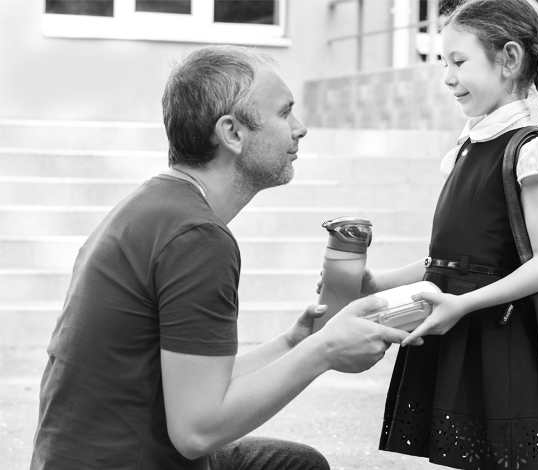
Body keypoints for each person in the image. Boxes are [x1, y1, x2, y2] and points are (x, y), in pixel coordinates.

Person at [30, 45, 413, 470]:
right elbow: (197, 431)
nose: (300, 128)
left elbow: (198, 384)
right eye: (285, 113)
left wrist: (295, 343)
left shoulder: (156, 206)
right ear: (232, 133)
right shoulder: (197, 237)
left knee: (296, 463)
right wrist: (324, 351)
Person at [363, 1, 538, 468]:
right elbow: (447, 259)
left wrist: (462, 304)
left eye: (459, 62)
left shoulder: (531, 149)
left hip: (496, 337)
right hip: (461, 328)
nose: (447, 76)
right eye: (444, 61)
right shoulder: (468, 146)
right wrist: (375, 283)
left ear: (508, 59)